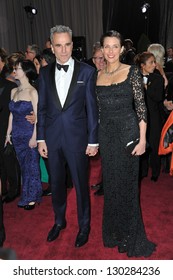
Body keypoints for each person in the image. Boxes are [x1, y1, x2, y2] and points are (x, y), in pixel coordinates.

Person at [96, 30, 156, 257]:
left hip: (129, 136)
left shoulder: (131, 72)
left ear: (121, 49)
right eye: (106, 46)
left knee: (128, 188)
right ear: (102, 49)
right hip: (107, 138)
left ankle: (130, 236)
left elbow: (141, 109)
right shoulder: (97, 75)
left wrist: (142, 140)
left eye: (115, 46)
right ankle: (114, 232)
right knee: (111, 186)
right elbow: (98, 111)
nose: (110, 51)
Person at [37, 25, 98, 247]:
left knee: (81, 185)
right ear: (52, 48)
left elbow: (92, 109)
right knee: (57, 183)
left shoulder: (87, 71)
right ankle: (59, 220)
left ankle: (84, 226)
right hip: (52, 139)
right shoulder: (44, 73)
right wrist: (41, 138)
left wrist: (93, 140)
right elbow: (42, 107)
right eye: (58, 45)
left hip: (77, 139)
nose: (64, 50)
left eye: (67, 44)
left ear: (73, 44)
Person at [5, 59, 42, 210]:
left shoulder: (33, 92)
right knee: (23, 166)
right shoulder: (14, 91)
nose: (15, 71)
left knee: (31, 165)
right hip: (17, 135)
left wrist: (35, 137)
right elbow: (11, 115)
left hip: (29, 134)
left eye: (18, 68)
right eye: (14, 68)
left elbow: (38, 117)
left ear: (26, 71)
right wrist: (8, 134)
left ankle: (31, 197)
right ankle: (27, 194)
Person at [135, 52, 165, 182]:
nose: (154, 64)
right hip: (138, 118)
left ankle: (155, 171)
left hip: (154, 117)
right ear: (142, 65)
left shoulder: (158, 79)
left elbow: (158, 97)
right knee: (141, 144)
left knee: (153, 144)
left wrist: (146, 87)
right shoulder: (134, 78)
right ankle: (142, 171)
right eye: (151, 62)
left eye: (154, 62)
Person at [89, 42, 106, 196]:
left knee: (108, 154)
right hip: (95, 121)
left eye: (103, 58)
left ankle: (107, 185)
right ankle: (103, 182)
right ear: (93, 60)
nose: (100, 61)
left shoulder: (111, 75)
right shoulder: (91, 76)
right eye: (97, 58)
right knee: (101, 155)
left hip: (109, 121)